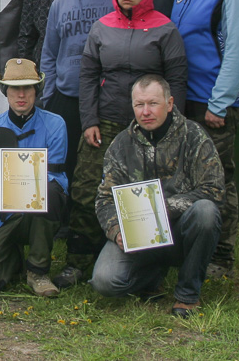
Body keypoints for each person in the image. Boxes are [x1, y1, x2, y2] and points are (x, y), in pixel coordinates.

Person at [54, 0, 188, 289]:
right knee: (86, 192)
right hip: (106, 122)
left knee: (147, 193)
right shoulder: (101, 27)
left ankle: (148, 264)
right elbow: (87, 77)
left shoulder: (165, 29)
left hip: (149, 128)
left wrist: (170, 127)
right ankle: (78, 263)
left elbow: (177, 82)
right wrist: (89, 120)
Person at [91, 75, 223, 318]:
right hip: (138, 237)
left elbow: (213, 190)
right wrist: (116, 231)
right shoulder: (121, 145)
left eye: (153, 103)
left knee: (206, 212)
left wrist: (162, 209)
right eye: (139, 105)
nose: (146, 112)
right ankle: (152, 275)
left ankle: (187, 295)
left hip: (182, 232)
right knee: (104, 282)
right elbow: (104, 199)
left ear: (170, 103)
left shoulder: (194, 136)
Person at [172, 0, 239, 277]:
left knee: (217, 180)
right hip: (185, 101)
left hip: (213, 105)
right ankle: (191, 249)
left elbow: (238, 51)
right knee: (189, 180)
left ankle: (221, 258)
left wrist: (219, 103)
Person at [0, 59, 68, 298]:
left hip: (38, 212)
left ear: (36, 90)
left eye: (28, 87)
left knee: (50, 190)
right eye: (14, 88)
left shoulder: (55, 124)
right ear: (5, 91)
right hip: (1, 214)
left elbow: (59, 179)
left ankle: (38, 270)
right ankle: (12, 257)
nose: (21, 95)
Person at [39, 0, 114, 194]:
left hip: (106, 98)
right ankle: (65, 220)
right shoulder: (61, 2)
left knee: (103, 164)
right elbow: (49, 53)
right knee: (66, 162)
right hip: (66, 96)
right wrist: (49, 95)